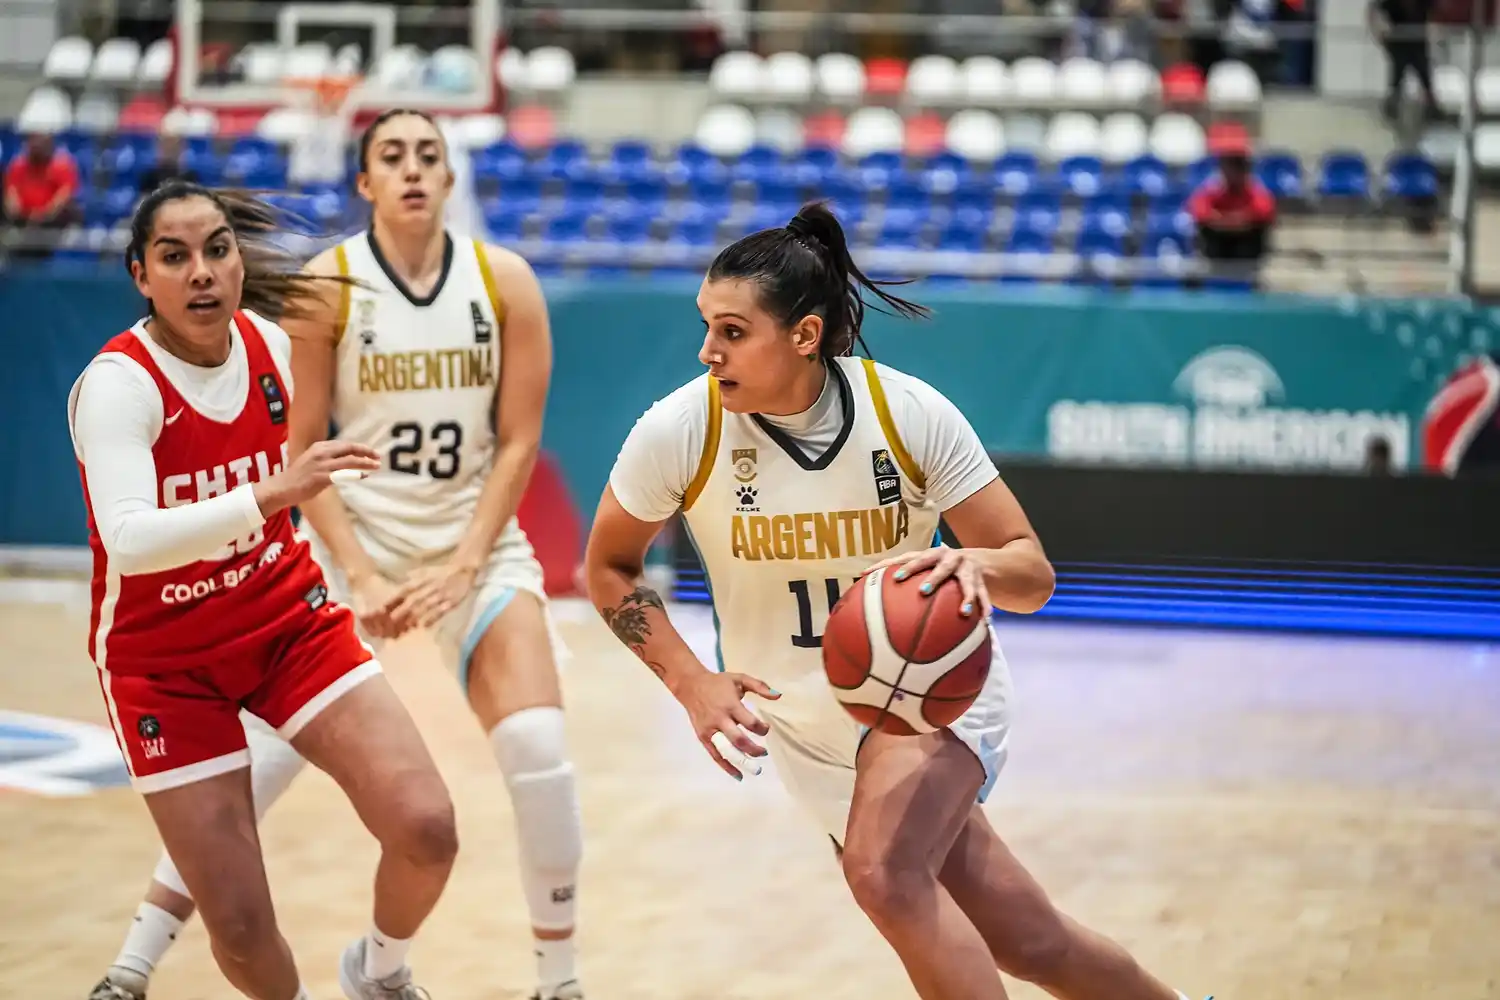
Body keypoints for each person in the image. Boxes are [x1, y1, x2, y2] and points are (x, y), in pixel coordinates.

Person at [585, 203, 1204, 1000]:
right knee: (1029, 939)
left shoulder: (904, 412)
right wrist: (689, 680)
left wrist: (968, 570)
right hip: (805, 726)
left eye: (733, 332)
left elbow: (1031, 573)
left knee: (883, 873)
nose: (708, 351)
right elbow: (608, 566)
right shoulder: (679, 430)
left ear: (804, 336)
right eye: (706, 327)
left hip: (924, 699)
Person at [89, 110, 586, 1000]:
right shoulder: (276, 316)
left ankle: (502, 979)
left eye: (429, 154)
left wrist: (468, 559)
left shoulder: (485, 284)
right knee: (245, 883)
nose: (202, 272)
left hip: (397, 571)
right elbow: (190, 509)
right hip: (254, 598)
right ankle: (137, 957)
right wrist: (340, 554)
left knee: (484, 786)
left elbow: (518, 440)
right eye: (175, 256)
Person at [71, 180, 457, 1000]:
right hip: (164, 666)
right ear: (142, 276)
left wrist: (378, 569)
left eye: (217, 249)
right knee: (242, 934)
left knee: (427, 827)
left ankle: (380, 975)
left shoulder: (278, 350)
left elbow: (333, 476)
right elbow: (132, 542)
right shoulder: (118, 385)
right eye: (175, 257)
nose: (202, 271)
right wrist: (272, 494)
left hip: (288, 626)